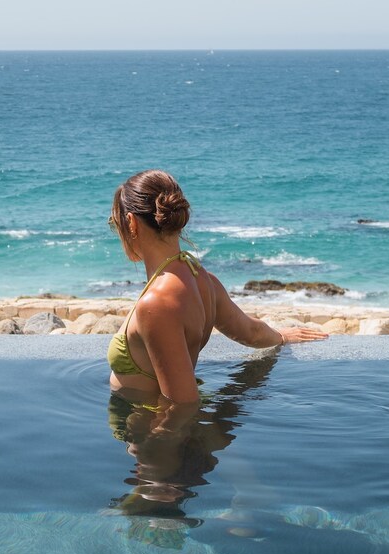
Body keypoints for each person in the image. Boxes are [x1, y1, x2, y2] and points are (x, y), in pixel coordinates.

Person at [107, 169, 327, 412]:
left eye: (115, 224)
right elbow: (250, 332)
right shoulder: (203, 279)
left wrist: (155, 444)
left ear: (131, 222)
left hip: (149, 430)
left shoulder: (157, 302)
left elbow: (182, 406)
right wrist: (281, 336)